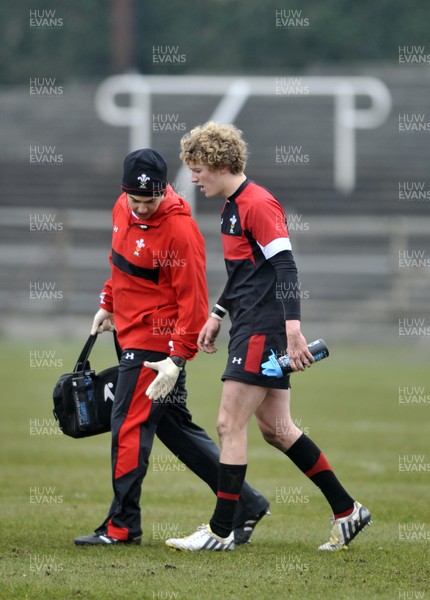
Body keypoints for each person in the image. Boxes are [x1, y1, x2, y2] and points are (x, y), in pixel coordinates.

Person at [165, 122, 371, 552]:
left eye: (199, 168)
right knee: (277, 429)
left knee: (228, 424)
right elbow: (245, 272)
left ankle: (221, 531)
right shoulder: (230, 206)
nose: (194, 177)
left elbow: (287, 269)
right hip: (248, 324)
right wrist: (218, 313)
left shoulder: (258, 203)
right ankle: (347, 510)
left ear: (221, 164)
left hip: (262, 329)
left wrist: (293, 332)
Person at [74, 148, 269, 546]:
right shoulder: (121, 207)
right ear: (123, 192)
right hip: (127, 332)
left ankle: (122, 526)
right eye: (135, 200)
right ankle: (245, 504)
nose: (142, 209)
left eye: (151, 200)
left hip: (156, 346)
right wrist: (107, 303)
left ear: (165, 190)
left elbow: (195, 304)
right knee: (174, 428)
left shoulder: (181, 231)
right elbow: (119, 262)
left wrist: (177, 359)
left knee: (128, 424)